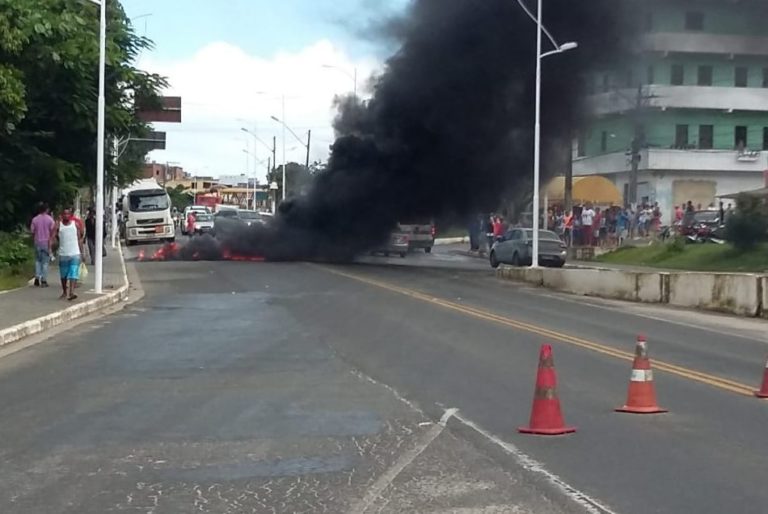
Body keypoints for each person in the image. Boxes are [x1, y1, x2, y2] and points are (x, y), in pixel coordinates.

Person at [51, 208, 84, 301]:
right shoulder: (58, 226)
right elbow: (54, 238)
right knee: (63, 275)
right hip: (63, 254)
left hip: (75, 253)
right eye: (64, 214)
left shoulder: (75, 225)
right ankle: (65, 291)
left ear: (70, 215)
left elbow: (79, 239)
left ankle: (72, 292)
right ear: (62, 215)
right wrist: (52, 248)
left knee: (73, 273)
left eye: (68, 214)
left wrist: (82, 253)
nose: (66, 216)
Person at [30, 202, 55, 287]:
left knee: (37, 261)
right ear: (47, 210)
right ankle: (43, 280)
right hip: (46, 242)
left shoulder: (35, 219)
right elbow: (52, 231)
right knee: (45, 262)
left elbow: (32, 231)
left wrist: (34, 238)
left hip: (37, 242)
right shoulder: (50, 219)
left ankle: (37, 277)